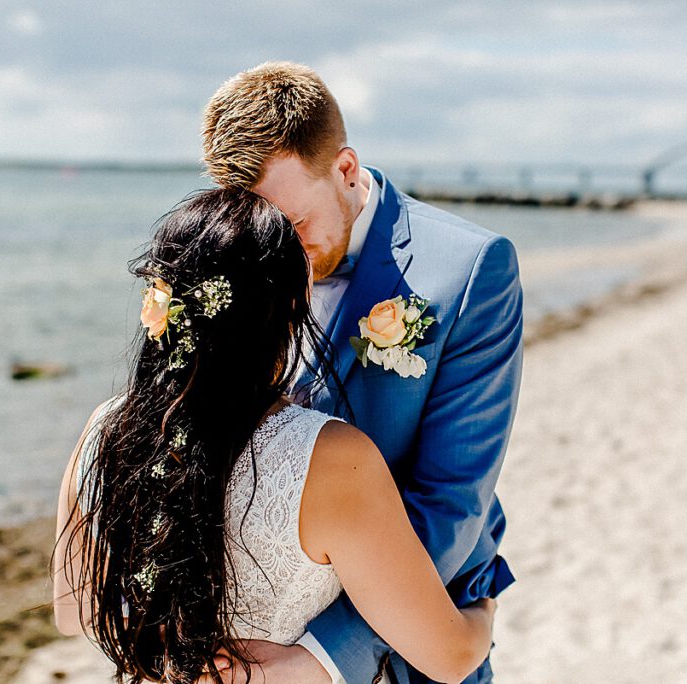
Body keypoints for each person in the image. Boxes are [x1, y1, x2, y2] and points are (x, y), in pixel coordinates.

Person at [52, 189, 497, 684]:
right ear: (291, 307)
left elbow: (75, 613)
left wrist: (171, 640)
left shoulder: (103, 429)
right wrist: (483, 611)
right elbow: (450, 658)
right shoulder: (330, 457)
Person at [200, 62, 523, 684]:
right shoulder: (235, 257)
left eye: (293, 226)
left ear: (345, 170)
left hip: (402, 652)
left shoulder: (471, 271)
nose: (277, 258)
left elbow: (451, 502)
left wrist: (317, 659)